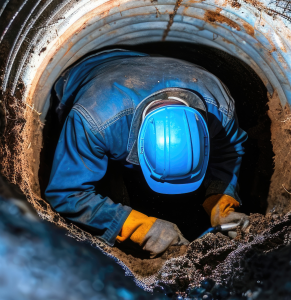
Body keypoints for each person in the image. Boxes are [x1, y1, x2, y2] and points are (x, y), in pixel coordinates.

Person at [45, 49, 248, 257]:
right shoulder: (93, 121)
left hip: (143, 62)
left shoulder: (219, 109)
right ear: (137, 145)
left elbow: (228, 153)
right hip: (83, 77)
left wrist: (221, 204)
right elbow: (67, 193)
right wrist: (140, 228)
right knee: (111, 190)